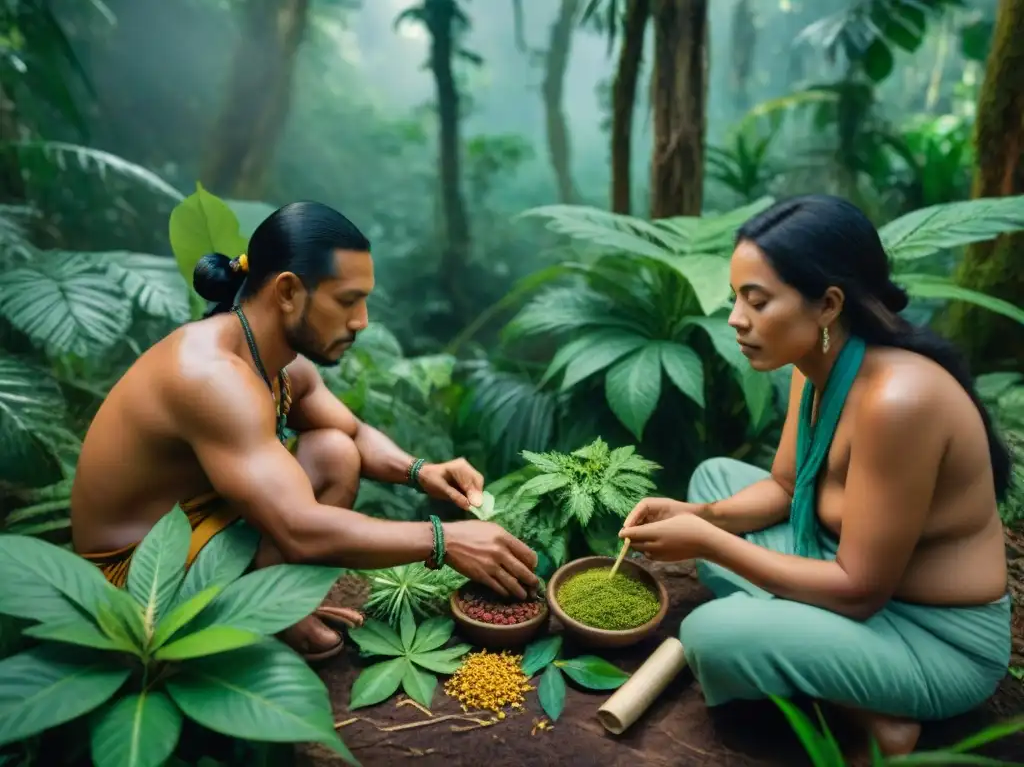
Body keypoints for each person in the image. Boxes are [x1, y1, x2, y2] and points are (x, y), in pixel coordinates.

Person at [619, 195, 1012, 756]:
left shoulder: (898, 404)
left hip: (929, 637)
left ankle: (880, 711)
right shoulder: (816, 365)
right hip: (838, 565)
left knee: (710, 635)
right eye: (736, 299)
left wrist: (709, 542)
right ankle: (854, 696)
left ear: (827, 305)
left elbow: (858, 592)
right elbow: (784, 489)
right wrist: (700, 515)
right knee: (713, 481)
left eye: (756, 301)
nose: (735, 318)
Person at [71, 200, 538, 662]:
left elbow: (351, 433)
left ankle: (275, 601)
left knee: (334, 451)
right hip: (140, 577)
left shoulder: (275, 362)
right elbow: (298, 528)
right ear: (289, 291)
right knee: (313, 489)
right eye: (347, 301)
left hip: (199, 528)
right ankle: (269, 615)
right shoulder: (212, 377)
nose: (362, 321)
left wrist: (421, 471)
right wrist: (445, 540)